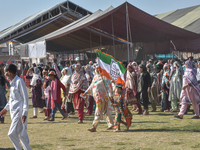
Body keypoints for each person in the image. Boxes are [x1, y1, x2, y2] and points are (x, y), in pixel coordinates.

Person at [0, 64, 31, 150]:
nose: (5, 74)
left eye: (5, 72)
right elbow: (12, 100)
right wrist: (6, 109)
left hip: (19, 113)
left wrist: (24, 113)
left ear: (9, 72)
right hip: (14, 113)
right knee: (22, 135)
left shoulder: (19, 82)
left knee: (11, 134)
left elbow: (25, 98)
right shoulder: (12, 83)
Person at [83, 66, 114, 132]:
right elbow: (91, 85)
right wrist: (86, 92)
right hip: (97, 97)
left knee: (98, 111)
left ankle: (94, 126)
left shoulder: (105, 77)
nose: (97, 70)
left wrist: (110, 94)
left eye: (98, 68)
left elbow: (109, 86)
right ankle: (111, 124)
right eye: (96, 68)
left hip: (103, 97)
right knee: (106, 111)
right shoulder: (95, 77)